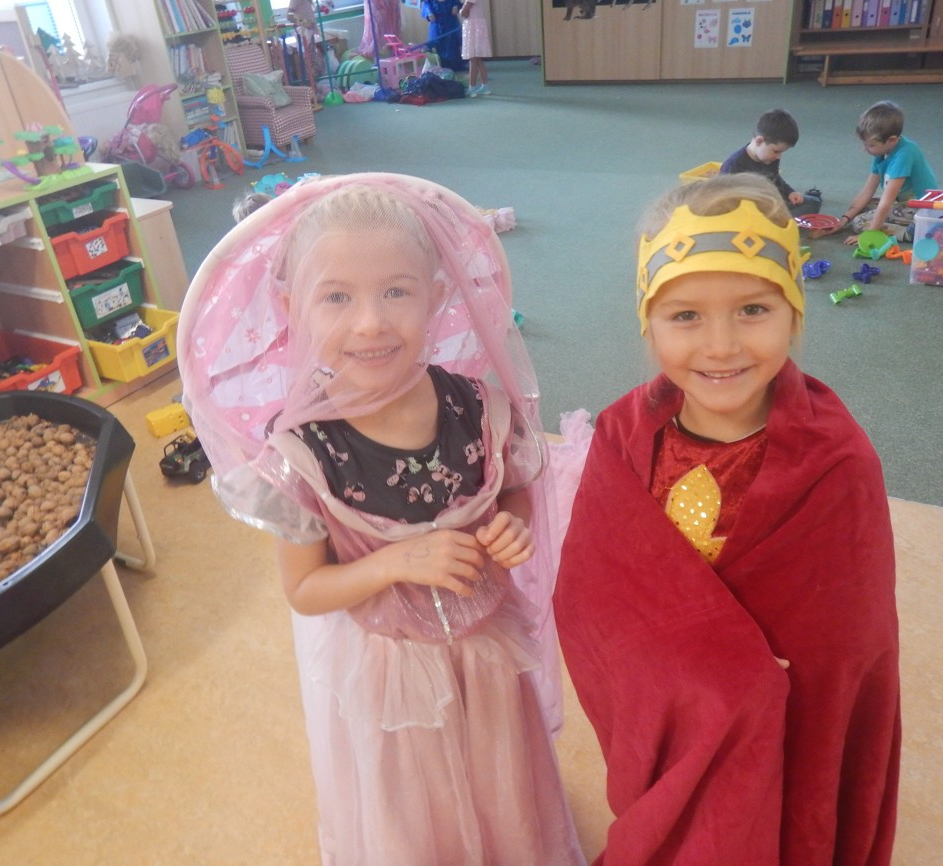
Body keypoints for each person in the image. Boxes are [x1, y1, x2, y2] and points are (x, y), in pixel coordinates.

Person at [178, 173, 585, 865]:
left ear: (437, 293)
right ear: (291, 306)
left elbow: (512, 489)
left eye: (396, 291)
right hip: (389, 670)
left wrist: (511, 524)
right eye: (336, 297)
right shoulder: (301, 454)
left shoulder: (477, 407)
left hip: (487, 649)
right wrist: (397, 560)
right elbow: (306, 590)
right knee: (412, 801)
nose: (370, 323)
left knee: (499, 779)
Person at [554, 174, 901, 865]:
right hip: (672, 713)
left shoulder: (835, 459)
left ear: (793, 315)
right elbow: (593, 595)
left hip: (784, 732)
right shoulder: (623, 435)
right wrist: (704, 668)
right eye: (685, 316)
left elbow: (846, 645)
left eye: (752, 310)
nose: (720, 346)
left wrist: (752, 677)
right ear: (648, 324)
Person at [839, 99, 937, 246]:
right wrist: (844, 219)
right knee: (862, 206)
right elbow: (867, 191)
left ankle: (911, 232)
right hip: (901, 201)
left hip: (922, 207)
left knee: (859, 222)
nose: (865, 149)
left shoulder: (905, 154)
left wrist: (869, 235)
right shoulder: (882, 151)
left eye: (871, 145)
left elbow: (887, 201)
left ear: (892, 140)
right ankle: (900, 224)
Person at [719, 108, 821, 217]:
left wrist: (790, 192)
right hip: (749, 211)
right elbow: (723, 199)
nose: (778, 157)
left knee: (814, 202)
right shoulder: (733, 166)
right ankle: (782, 220)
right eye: (776, 151)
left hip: (771, 203)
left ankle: (783, 219)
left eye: (781, 152)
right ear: (759, 141)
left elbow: (775, 178)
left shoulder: (770, 158)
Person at [421, 0, 465, 71]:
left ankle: (456, 66)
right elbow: (426, 6)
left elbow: (457, 3)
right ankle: (443, 67)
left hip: (451, 25)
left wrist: (456, 6)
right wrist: (429, 13)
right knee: (440, 49)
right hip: (438, 27)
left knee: (453, 46)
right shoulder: (429, 1)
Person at [460, 0, 492, 97]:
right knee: (478, 60)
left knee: (473, 59)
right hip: (476, 26)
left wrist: (460, 11)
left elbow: (464, 12)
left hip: (473, 28)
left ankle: (472, 88)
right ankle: (485, 86)